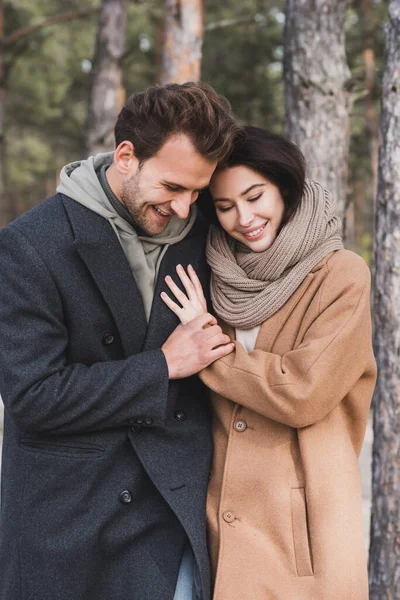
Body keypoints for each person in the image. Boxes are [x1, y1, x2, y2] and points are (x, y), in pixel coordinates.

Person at [0, 82, 241, 600]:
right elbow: (33, 396)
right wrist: (162, 366)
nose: (184, 208)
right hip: (68, 524)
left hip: (170, 515)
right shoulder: (31, 245)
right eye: (174, 187)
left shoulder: (203, 236)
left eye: (198, 192)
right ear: (127, 156)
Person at [161, 126, 377, 600]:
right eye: (224, 207)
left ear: (284, 186)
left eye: (255, 196)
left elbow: (303, 392)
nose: (244, 218)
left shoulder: (342, 276)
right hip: (222, 525)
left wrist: (209, 351)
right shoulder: (214, 273)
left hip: (302, 530)